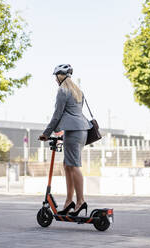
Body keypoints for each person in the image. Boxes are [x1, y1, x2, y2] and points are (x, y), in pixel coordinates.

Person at [38, 64, 92, 216]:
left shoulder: (63, 91)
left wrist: (46, 133)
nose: (55, 79)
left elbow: (57, 114)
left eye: (56, 77)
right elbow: (72, 114)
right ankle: (69, 201)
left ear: (59, 76)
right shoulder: (77, 91)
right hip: (81, 131)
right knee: (68, 165)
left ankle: (80, 201)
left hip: (73, 131)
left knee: (73, 165)